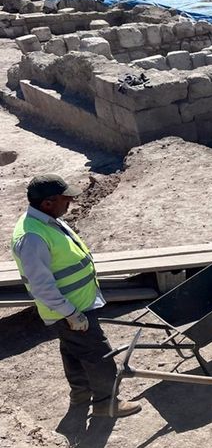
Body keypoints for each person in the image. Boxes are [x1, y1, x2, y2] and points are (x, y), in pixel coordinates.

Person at [10, 175, 141, 418]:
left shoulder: (45, 221)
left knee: (73, 352)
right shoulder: (32, 237)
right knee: (99, 355)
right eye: (65, 199)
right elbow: (41, 286)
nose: (70, 202)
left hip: (75, 305)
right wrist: (71, 314)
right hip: (70, 310)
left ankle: (81, 395)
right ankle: (107, 403)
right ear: (48, 203)